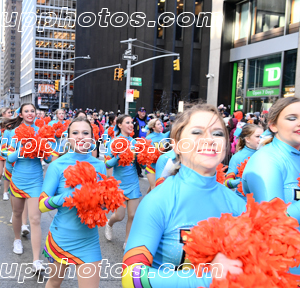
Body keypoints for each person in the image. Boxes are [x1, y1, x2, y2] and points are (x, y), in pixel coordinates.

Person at [122, 103, 246, 287]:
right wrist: (204, 279)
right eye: (197, 132)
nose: (209, 140)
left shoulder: (238, 205)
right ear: (177, 146)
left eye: (218, 134)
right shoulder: (158, 201)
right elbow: (131, 277)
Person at [40, 117, 105, 288]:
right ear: (67, 137)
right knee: (54, 282)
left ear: (92, 138)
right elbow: (42, 204)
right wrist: (66, 196)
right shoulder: (57, 165)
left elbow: (104, 202)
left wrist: (104, 202)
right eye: (75, 133)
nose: (80, 137)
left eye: (85, 133)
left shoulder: (100, 165)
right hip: (61, 237)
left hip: (89, 239)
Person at [242, 97, 300, 274]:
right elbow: (273, 220)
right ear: (273, 126)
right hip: (283, 268)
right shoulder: (266, 160)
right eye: (292, 118)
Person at [3, 103, 52, 272]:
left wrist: (46, 152)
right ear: (21, 114)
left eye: (33, 111)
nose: (30, 113)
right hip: (18, 178)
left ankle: (37, 260)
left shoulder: (41, 131)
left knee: (35, 219)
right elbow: (9, 157)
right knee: (17, 213)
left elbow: (49, 159)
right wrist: (24, 148)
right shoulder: (12, 132)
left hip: (36, 180)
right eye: (27, 111)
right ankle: (17, 239)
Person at [104, 115, 141, 250]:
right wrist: (118, 155)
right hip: (119, 185)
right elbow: (107, 164)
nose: (131, 125)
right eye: (127, 122)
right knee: (119, 216)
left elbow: (140, 163)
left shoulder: (136, 143)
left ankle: (127, 242)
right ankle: (109, 223)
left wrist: (144, 160)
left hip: (133, 183)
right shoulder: (113, 142)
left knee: (132, 215)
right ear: (119, 125)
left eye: (132, 122)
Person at [224, 124, 262, 201]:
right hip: (244, 202)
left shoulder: (266, 154)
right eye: (258, 136)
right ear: (247, 139)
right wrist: (243, 181)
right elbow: (227, 183)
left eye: (263, 136)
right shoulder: (237, 157)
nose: (261, 139)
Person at [144, 118, 171, 191]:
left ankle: (146, 201)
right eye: (158, 124)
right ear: (153, 127)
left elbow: (174, 130)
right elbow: (145, 154)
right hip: (151, 167)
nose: (161, 125)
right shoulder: (148, 138)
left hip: (162, 167)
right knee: (155, 188)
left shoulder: (165, 135)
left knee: (153, 187)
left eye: (161, 123)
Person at [0, 107, 12, 201]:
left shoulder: (13, 124)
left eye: (11, 112)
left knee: (7, 173)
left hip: (9, 151)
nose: (11, 114)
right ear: (3, 113)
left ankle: (5, 192)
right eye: (9, 112)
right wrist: (5, 136)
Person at [133, 107, 148, 178]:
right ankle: (137, 171)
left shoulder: (147, 121)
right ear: (138, 112)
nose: (143, 112)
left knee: (143, 157)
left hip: (146, 142)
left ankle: (141, 170)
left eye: (144, 111)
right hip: (137, 141)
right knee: (137, 157)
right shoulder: (135, 120)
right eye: (141, 111)